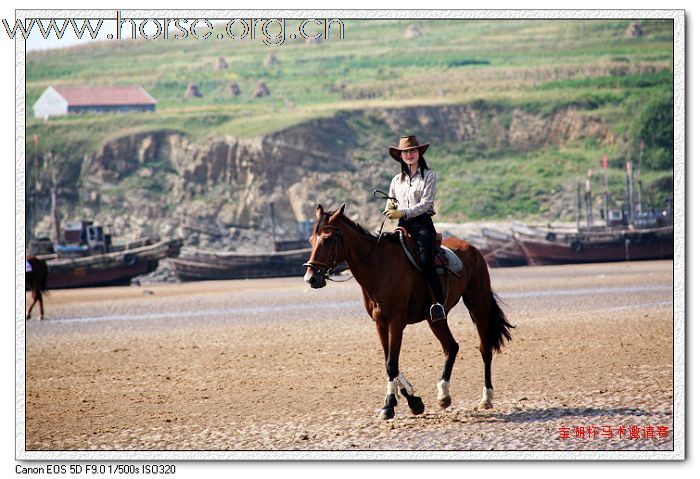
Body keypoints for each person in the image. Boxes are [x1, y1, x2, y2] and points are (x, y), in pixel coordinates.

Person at [383, 135, 446, 322]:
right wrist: (390, 210)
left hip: (423, 225)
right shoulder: (396, 180)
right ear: (400, 156)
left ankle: (438, 304)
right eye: (406, 152)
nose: (409, 154)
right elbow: (390, 202)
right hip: (402, 227)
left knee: (426, 261)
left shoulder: (430, 176)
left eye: (412, 151)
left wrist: (402, 212)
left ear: (419, 153)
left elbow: (426, 204)